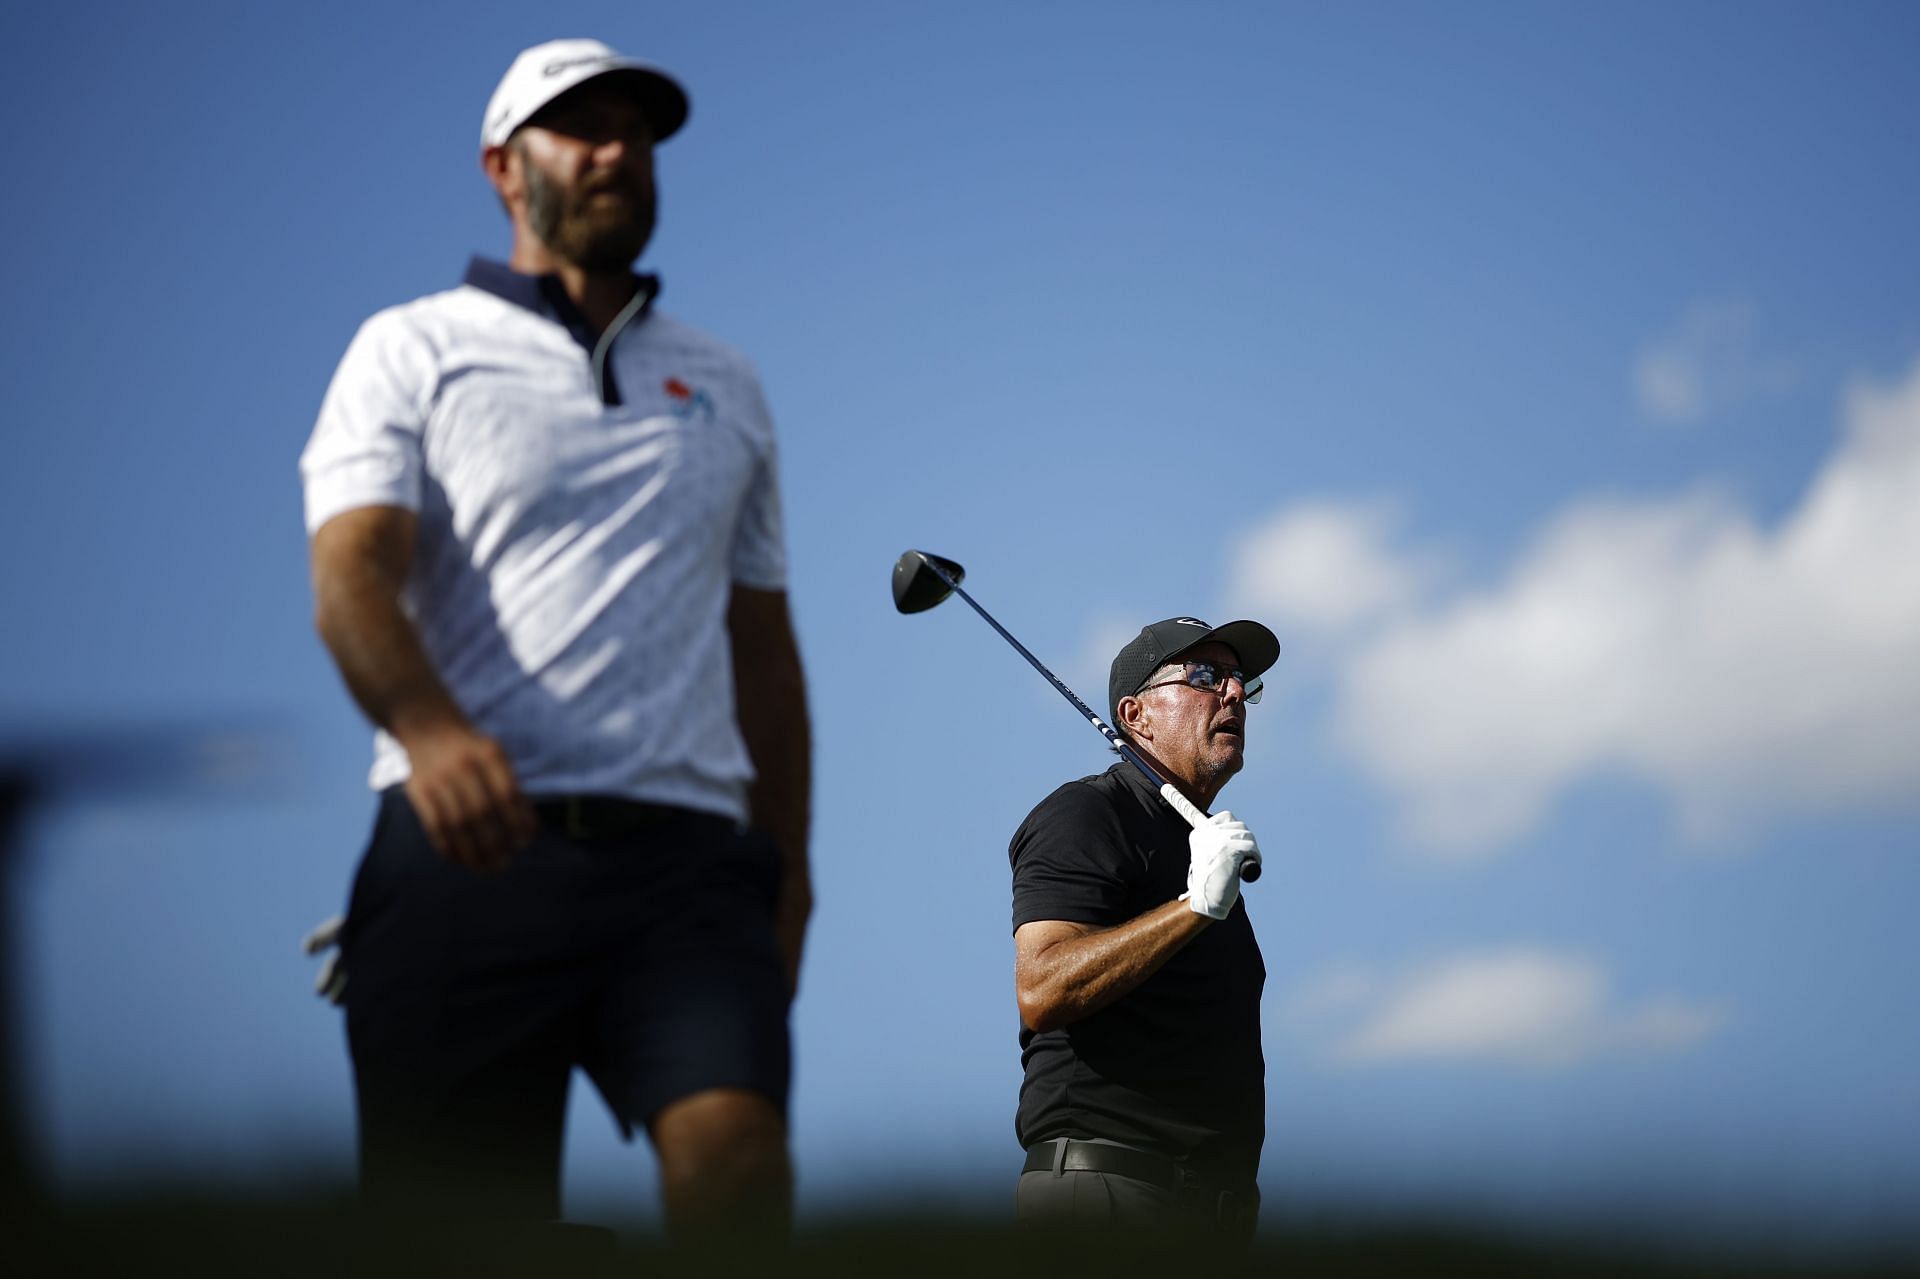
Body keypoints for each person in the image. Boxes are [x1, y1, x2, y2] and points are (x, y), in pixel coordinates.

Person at [298, 38, 810, 1247]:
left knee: (740, 1174)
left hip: (688, 869)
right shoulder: (410, 348)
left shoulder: (726, 380)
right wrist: (427, 732)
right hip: (465, 850)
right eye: (580, 128)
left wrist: (788, 873)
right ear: (502, 165)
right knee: (461, 1238)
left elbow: (767, 657)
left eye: (634, 131)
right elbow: (349, 577)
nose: (616, 151)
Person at [1009, 616, 1278, 1245]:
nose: (1234, 693)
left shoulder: (1199, 848)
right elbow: (1042, 988)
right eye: (1206, 676)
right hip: (1104, 1199)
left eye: (1241, 681)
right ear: (1136, 716)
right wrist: (1193, 908)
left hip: (1210, 1221)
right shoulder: (1087, 813)